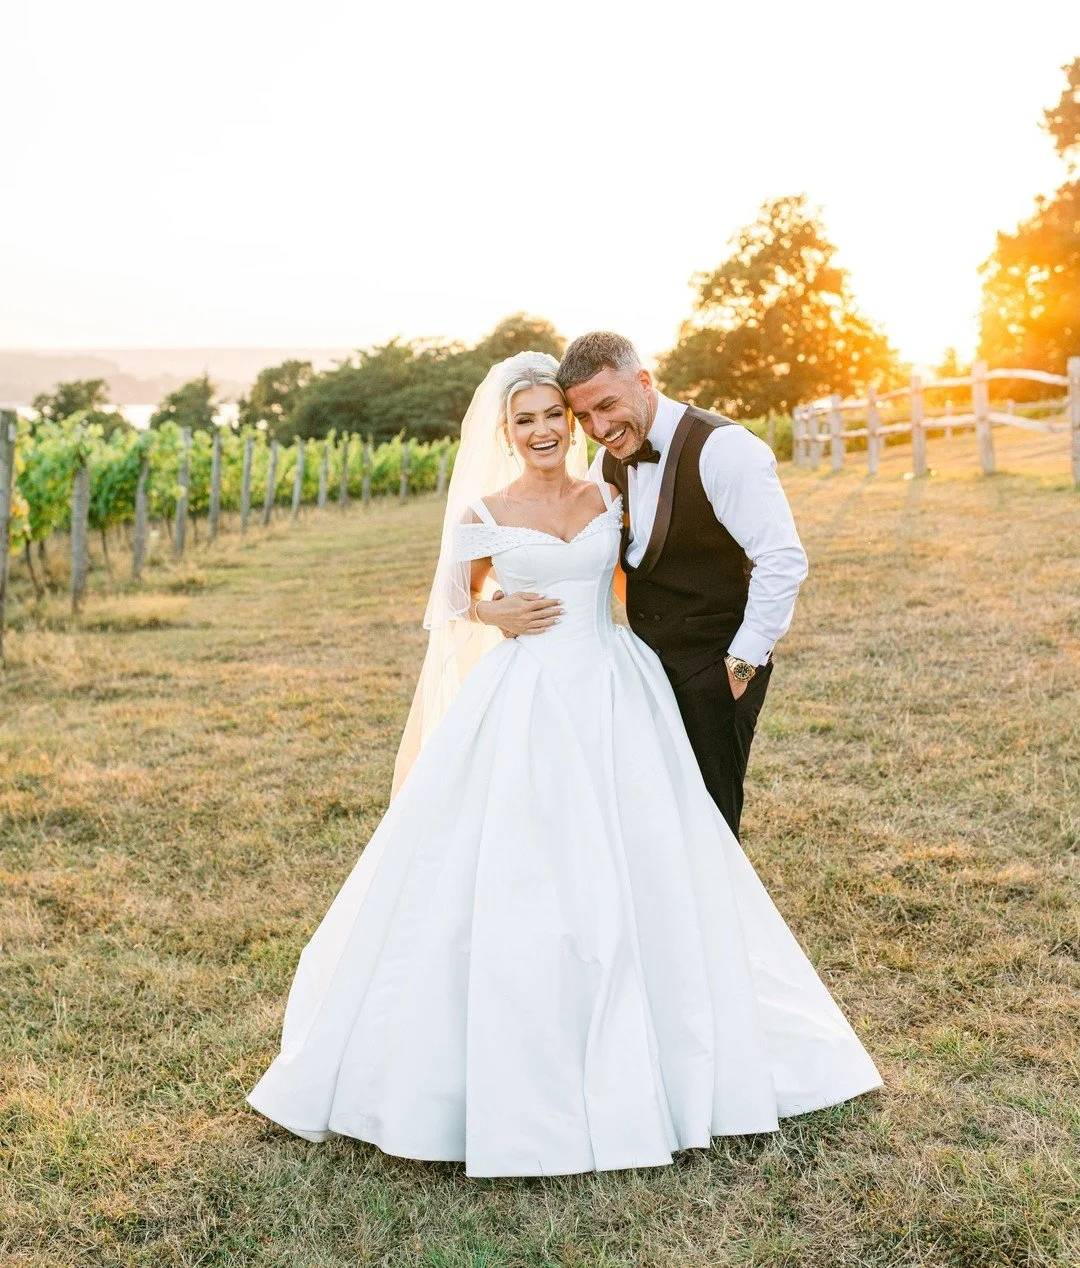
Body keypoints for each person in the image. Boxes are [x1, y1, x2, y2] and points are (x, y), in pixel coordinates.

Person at [246, 352, 881, 1178]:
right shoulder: (484, 507)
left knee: (653, 858)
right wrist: (491, 609)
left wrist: (730, 656)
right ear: (504, 431)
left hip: (619, 694)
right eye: (531, 419)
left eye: (559, 415)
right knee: (518, 866)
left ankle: (672, 1042)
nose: (549, 431)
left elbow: (655, 574)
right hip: (525, 699)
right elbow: (455, 597)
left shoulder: (607, 492)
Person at [556, 332, 808, 840]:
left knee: (710, 824)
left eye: (607, 405)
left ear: (644, 381)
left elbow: (781, 560)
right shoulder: (604, 461)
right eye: (583, 417)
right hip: (640, 669)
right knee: (657, 821)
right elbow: (579, 553)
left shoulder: (725, 449)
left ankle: (724, 920)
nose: (599, 428)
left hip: (716, 668)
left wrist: (740, 667)